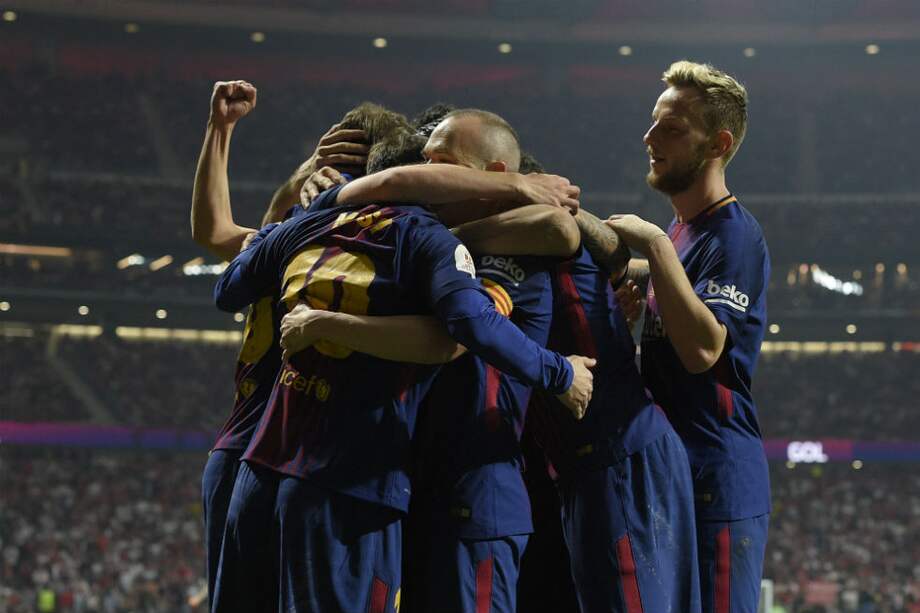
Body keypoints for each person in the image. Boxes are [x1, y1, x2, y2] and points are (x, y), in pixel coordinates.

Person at [212, 105, 595, 613]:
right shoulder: (422, 241)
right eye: (428, 165)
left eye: (445, 164)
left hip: (283, 473)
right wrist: (560, 372)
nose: (435, 175)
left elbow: (229, 282)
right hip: (356, 483)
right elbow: (461, 332)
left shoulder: (321, 220)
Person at [189, 79, 369, 609]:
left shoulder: (281, 243)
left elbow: (215, 230)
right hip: (282, 458)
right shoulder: (377, 248)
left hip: (272, 456)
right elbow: (217, 231)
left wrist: (221, 130)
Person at [607, 60, 771, 613]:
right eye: (654, 123)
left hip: (717, 482)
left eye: (672, 128)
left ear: (718, 143)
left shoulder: (734, 235)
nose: (649, 138)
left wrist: (651, 246)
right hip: (672, 476)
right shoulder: (683, 235)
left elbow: (704, 351)